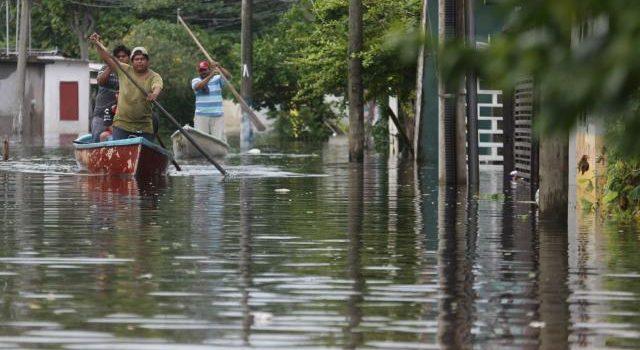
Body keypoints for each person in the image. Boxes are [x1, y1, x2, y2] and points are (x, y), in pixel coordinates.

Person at [89, 33, 163, 142]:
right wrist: (97, 43)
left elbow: (157, 85)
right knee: (103, 137)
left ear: (147, 61)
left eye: (142, 59)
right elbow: (106, 58)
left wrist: (154, 94)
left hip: (144, 125)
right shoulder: (124, 70)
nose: (139, 61)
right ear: (132, 61)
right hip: (122, 124)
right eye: (137, 59)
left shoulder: (154, 76)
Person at [90, 45, 130, 142]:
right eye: (118, 57)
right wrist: (110, 66)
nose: (120, 58)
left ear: (128, 58)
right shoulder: (105, 68)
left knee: (124, 140)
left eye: (123, 56)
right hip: (102, 114)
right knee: (97, 138)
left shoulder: (131, 73)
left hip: (123, 116)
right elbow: (100, 81)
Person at [191, 60, 231, 141]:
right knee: (200, 139)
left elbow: (228, 77)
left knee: (218, 139)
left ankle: (218, 152)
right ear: (198, 72)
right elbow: (199, 86)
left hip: (217, 115)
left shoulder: (217, 79)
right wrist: (211, 75)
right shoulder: (196, 80)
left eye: (205, 70)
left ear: (209, 69)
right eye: (201, 70)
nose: (203, 72)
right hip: (201, 115)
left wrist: (219, 67)